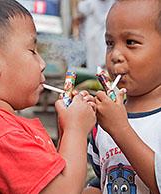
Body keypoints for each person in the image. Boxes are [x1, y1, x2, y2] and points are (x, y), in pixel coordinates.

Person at [0, 0, 97, 193]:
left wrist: (66, 131)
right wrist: (76, 129)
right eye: (33, 51)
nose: (42, 63)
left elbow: (56, 179)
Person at [83, 0, 161, 193]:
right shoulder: (103, 121)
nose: (115, 55)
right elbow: (102, 179)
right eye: (110, 43)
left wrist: (120, 129)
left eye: (130, 42)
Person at [76, 0, 114, 74]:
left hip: (105, 37)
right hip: (92, 38)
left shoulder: (113, 3)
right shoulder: (90, 3)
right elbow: (81, 9)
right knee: (92, 62)